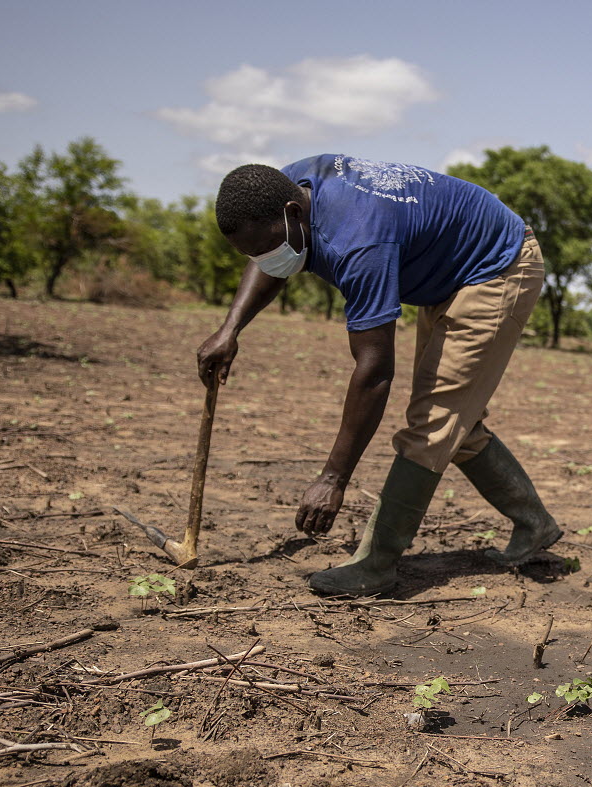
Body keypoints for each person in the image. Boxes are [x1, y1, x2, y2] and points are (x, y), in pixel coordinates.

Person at [197, 156, 561, 595]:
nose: (262, 259)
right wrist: (230, 328)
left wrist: (333, 478)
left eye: (267, 247)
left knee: (435, 420)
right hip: (448, 271)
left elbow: (373, 371)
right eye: (252, 253)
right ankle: (534, 523)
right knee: (455, 424)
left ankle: (376, 564)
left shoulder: (359, 242)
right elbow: (273, 255)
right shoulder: (282, 190)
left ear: (294, 214)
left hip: (494, 266)